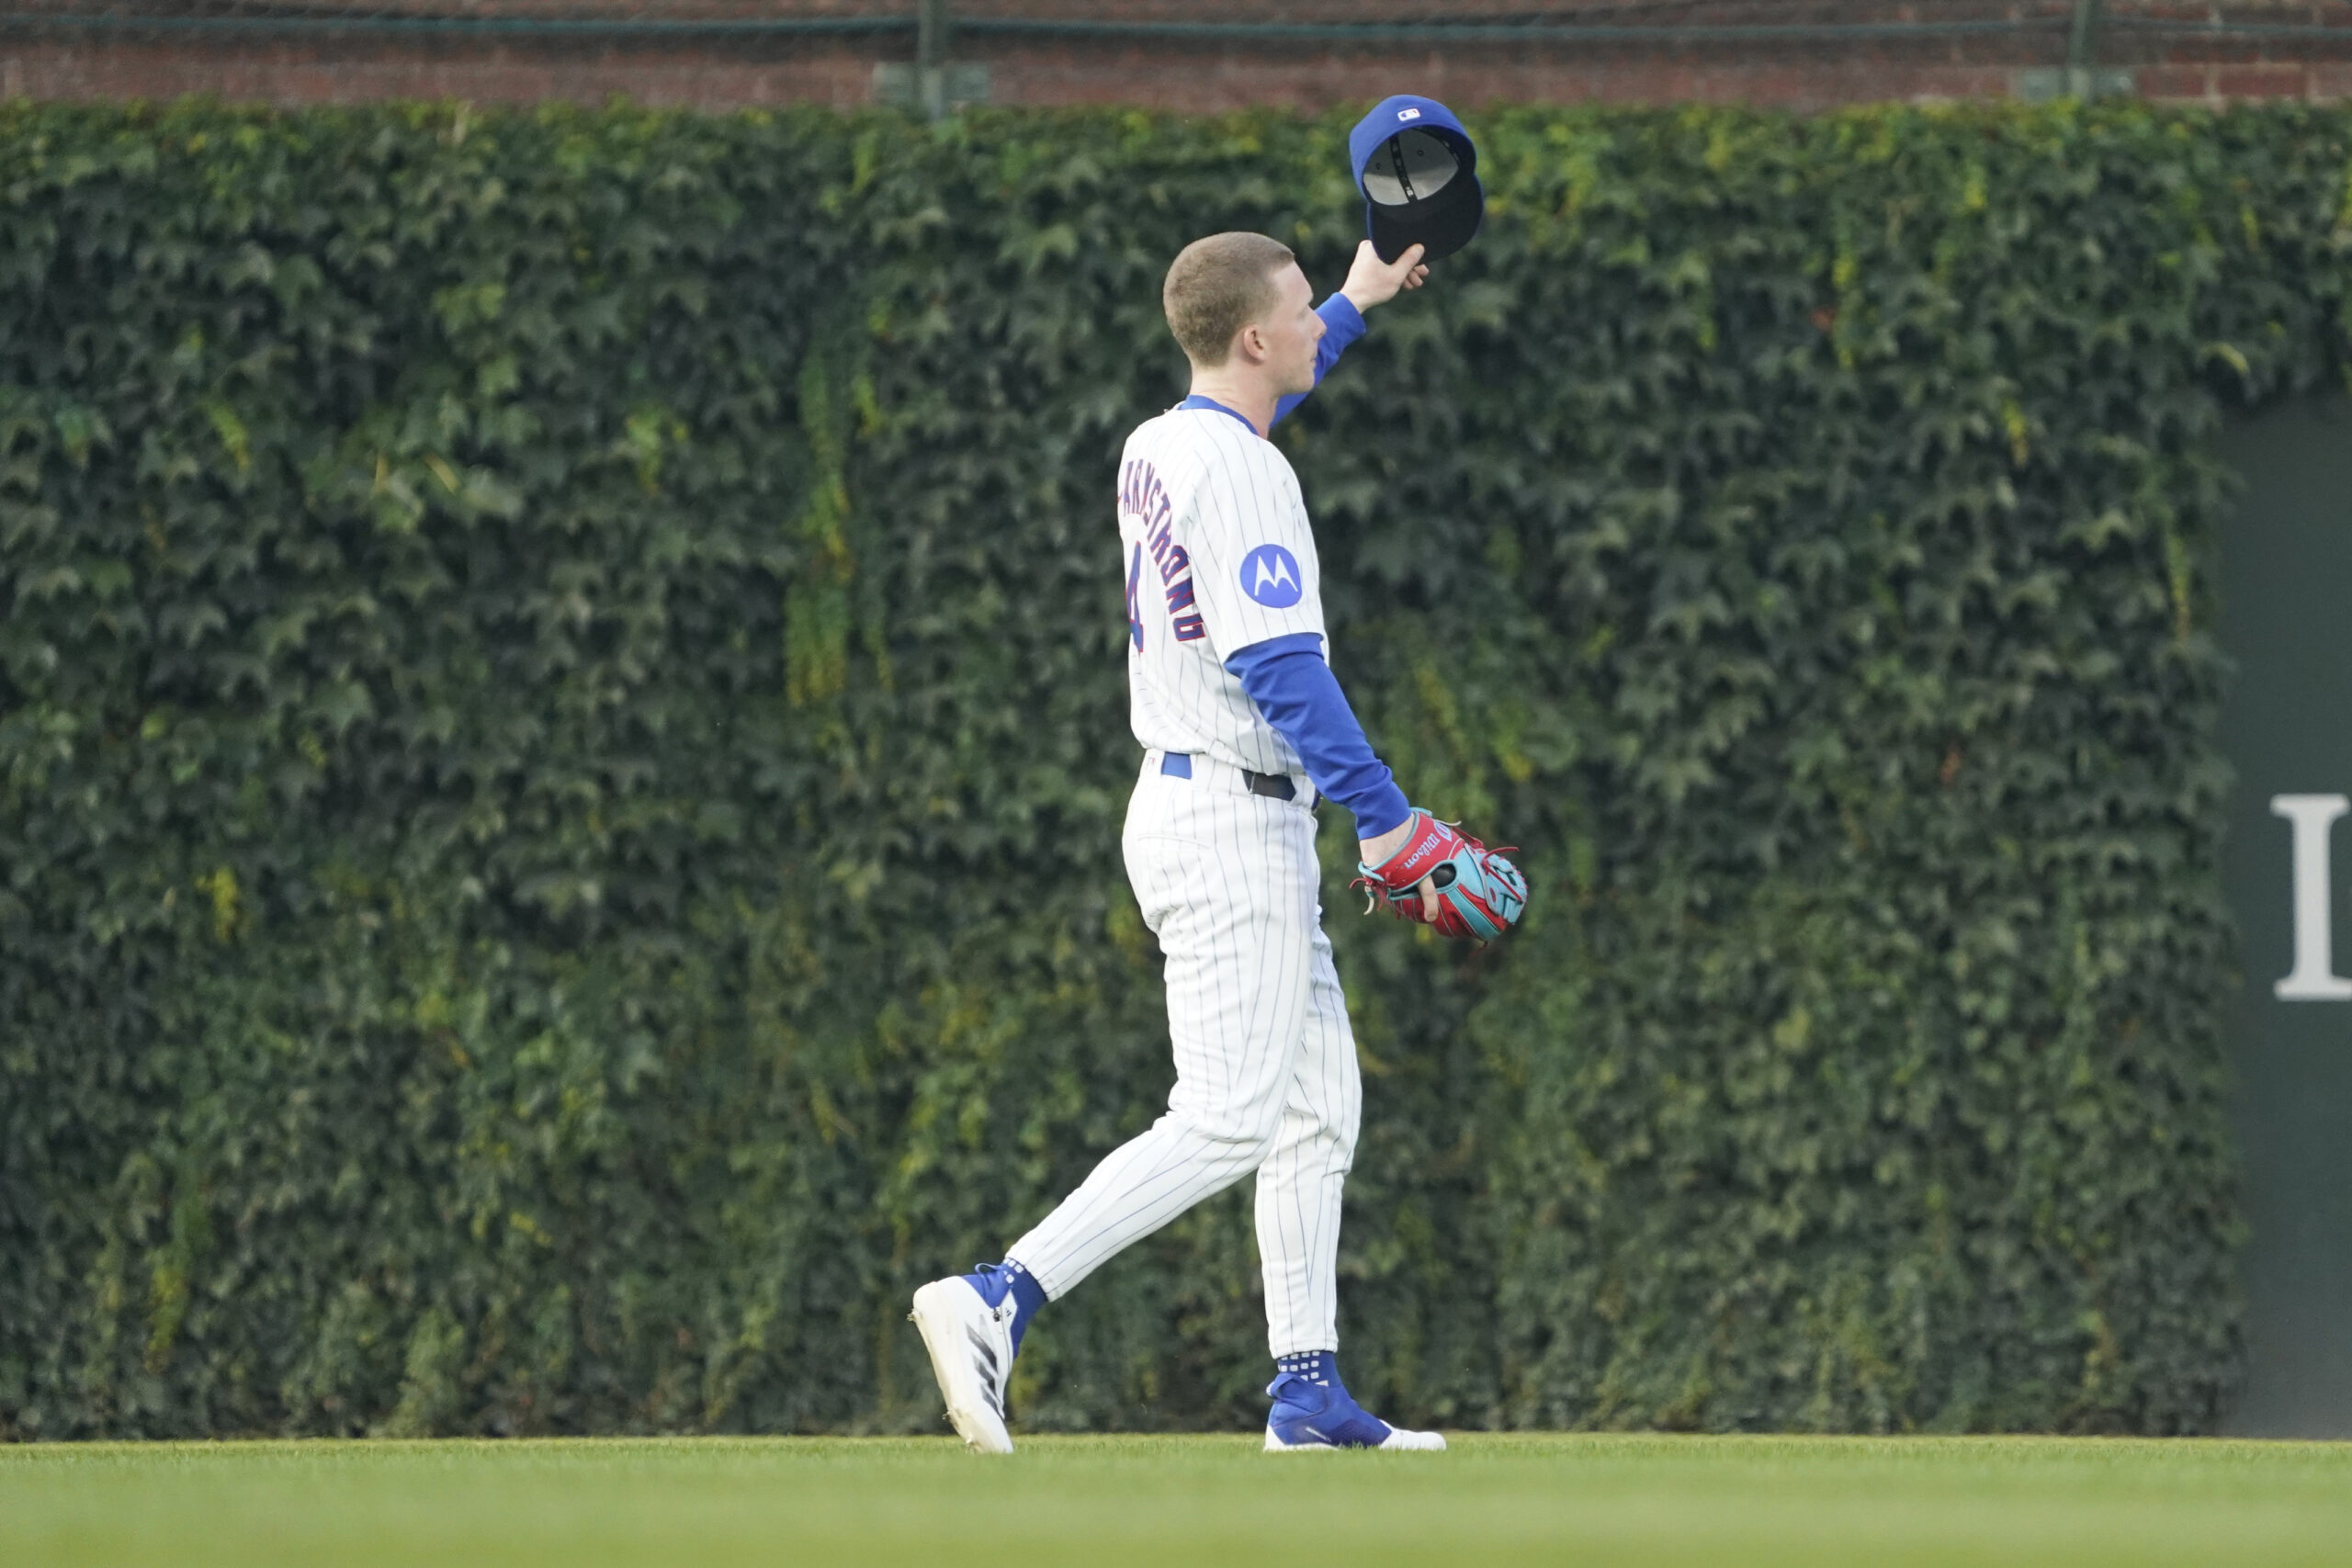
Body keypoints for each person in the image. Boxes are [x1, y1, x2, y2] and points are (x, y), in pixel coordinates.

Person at [911, 231, 1447, 1453]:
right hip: (1231, 820)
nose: (1320, 326)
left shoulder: (1165, 441)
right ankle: (998, 1294)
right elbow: (1279, 666)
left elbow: (1267, 392)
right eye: (1306, 310)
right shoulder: (1247, 474)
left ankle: (1307, 1393)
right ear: (1254, 337)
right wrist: (1390, 819)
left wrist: (1359, 300)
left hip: (1203, 802)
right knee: (1224, 1116)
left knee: (1316, 1107)